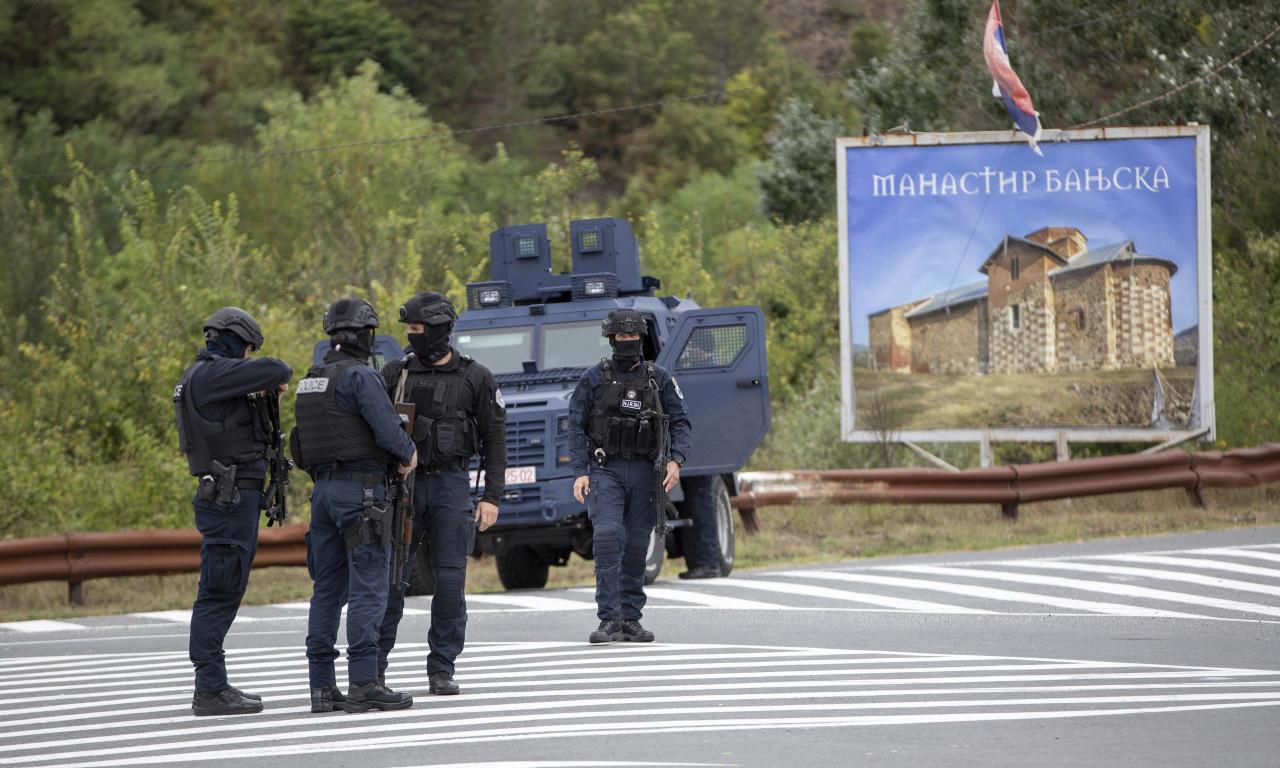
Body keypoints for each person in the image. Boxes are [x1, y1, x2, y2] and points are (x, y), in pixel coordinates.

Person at [376, 291, 507, 695]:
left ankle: (442, 668)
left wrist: (492, 497)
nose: (412, 337)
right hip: (404, 489)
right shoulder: (394, 373)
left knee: (450, 583)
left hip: (452, 486)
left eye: (418, 330)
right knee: (393, 581)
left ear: (439, 330)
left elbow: (496, 438)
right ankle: (373, 667)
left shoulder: (476, 376)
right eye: (409, 331)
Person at [291, 298, 418, 714]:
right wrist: (408, 453)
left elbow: (299, 444)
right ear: (366, 336)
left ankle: (321, 687)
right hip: (362, 493)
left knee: (327, 589)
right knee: (369, 585)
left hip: (323, 493)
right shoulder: (361, 376)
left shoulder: (311, 379)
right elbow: (390, 433)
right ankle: (364, 681)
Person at [173, 307, 292, 716]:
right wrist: (267, 377)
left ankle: (214, 684)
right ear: (232, 340)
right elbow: (279, 367)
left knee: (225, 588)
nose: (248, 357)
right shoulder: (212, 373)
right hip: (228, 499)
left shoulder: (208, 376)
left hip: (230, 497)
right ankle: (209, 688)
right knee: (219, 591)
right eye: (247, 349)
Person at [569, 308, 692, 644]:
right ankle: (609, 619)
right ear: (612, 339)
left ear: (641, 338)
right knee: (608, 539)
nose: (627, 342)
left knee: (637, 546)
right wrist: (580, 471)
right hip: (605, 470)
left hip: (644, 471)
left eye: (632, 336)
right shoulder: (594, 378)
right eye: (621, 337)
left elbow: (680, 421)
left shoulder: (659, 378)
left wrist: (676, 460)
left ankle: (631, 619)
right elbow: (576, 426)